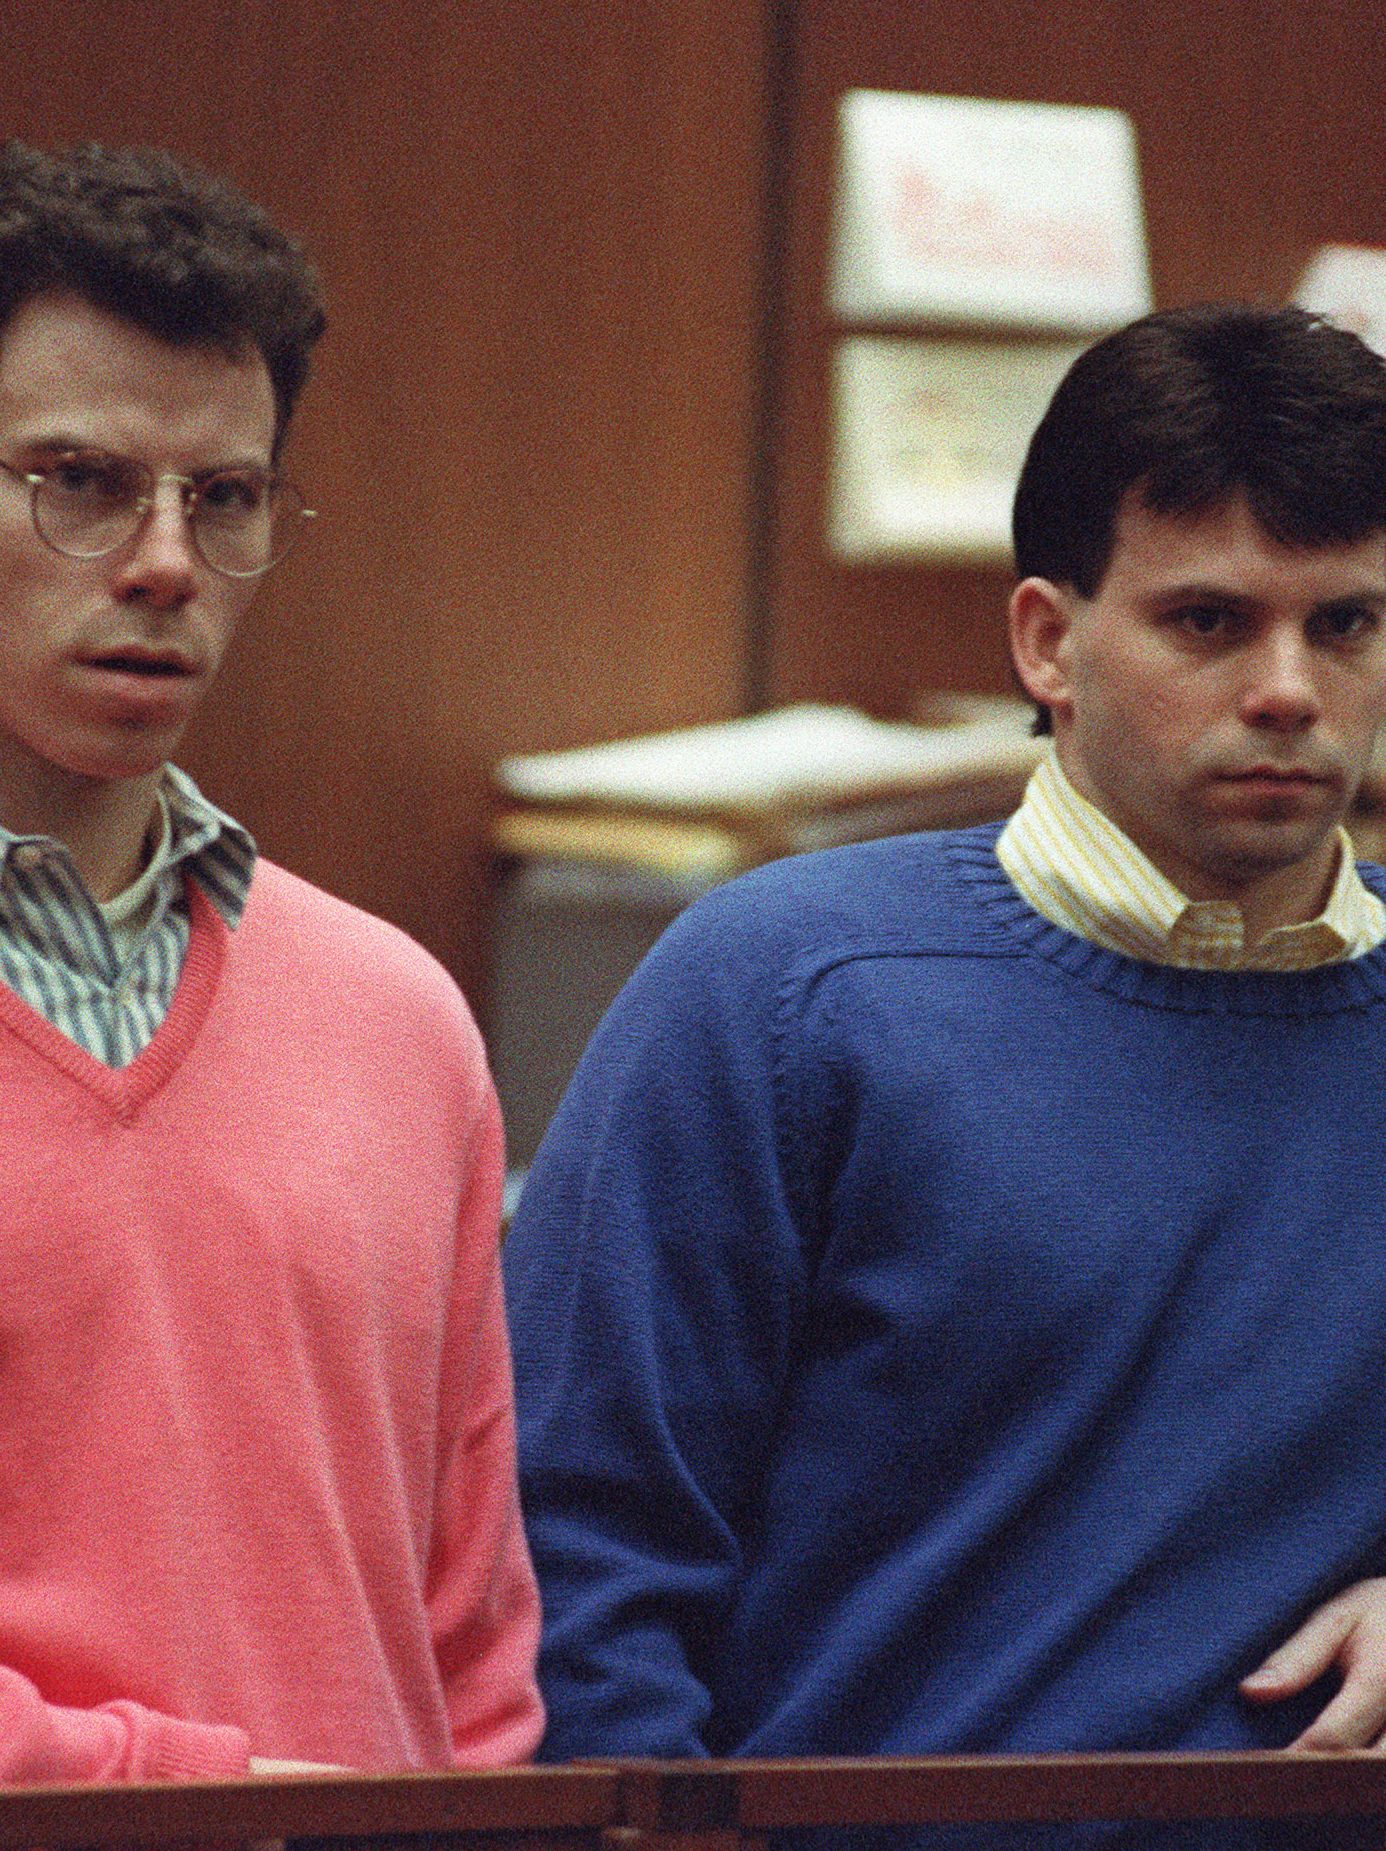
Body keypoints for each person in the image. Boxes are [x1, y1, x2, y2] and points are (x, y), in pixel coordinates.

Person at [503, 304, 1386, 1846]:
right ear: (1047, 640)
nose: (1287, 690)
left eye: (1346, 624)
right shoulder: (783, 987)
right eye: (1205, 622)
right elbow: (575, 1558)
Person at [0, 141, 541, 1784]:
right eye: (79, 481)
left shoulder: (396, 1014)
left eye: (223, 499)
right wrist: (182, 1794)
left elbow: (475, 1648)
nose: (166, 561)